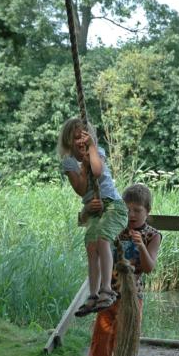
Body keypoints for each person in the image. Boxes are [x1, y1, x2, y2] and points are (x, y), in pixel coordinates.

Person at [70, 183, 162, 356]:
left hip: (131, 303)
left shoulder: (152, 235)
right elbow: (86, 222)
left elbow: (149, 266)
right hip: (106, 300)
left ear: (147, 212)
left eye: (137, 210)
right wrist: (91, 207)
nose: (132, 215)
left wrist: (140, 246)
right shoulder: (113, 227)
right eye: (128, 209)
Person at [58, 117, 128, 316]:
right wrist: (83, 168)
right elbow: (81, 189)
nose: (80, 141)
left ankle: (107, 290)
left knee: (103, 239)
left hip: (113, 206)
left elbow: (97, 172)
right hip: (94, 209)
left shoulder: (98, 152)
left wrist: (91, 152)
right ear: (68, 142)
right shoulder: (69, 162)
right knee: (91, 245)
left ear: (90, 138)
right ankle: (93, 294)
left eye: (84, 136)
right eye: (75, 138)